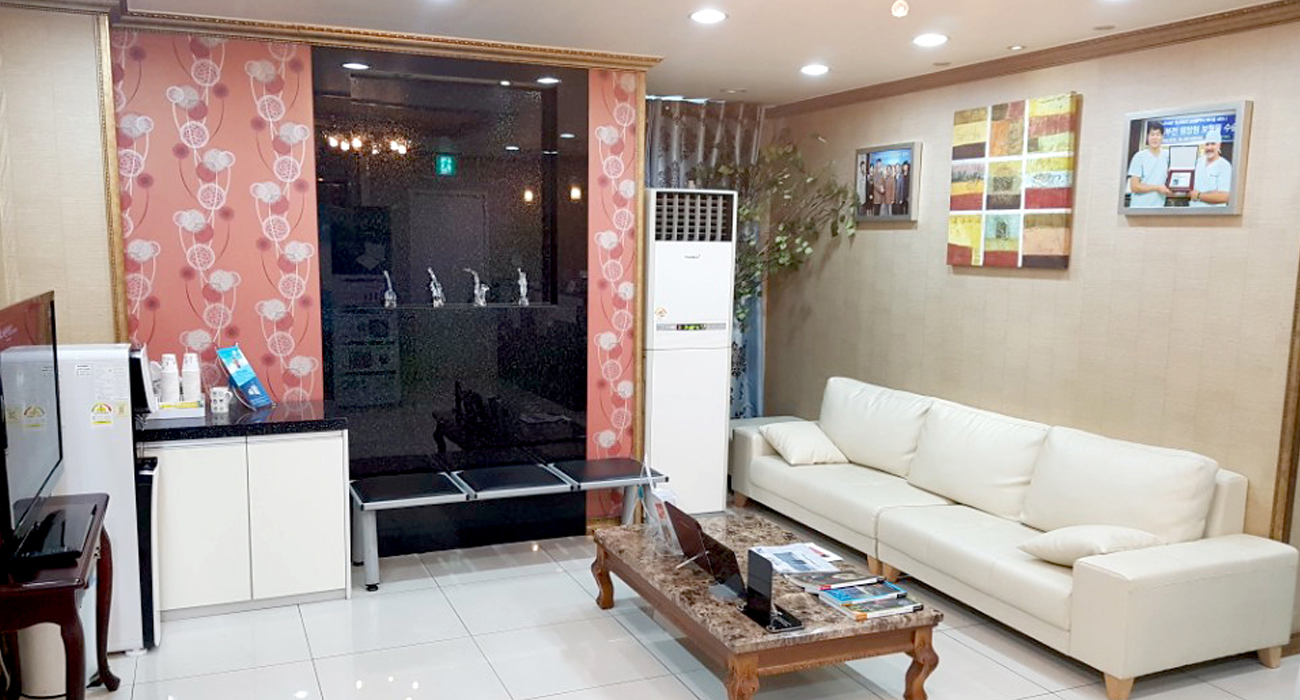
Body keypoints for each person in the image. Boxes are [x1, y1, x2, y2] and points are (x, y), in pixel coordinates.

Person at [1127, 121, 1171, 208]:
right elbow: (1134, 186)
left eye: (1158, 134)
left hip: (1159, 207)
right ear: (1147, 137)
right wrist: (1157, 188)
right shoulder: (1139, 157)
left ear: (1163, 136)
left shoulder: (1168, 156)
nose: (1155, 138)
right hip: (1139, 207)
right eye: (1152, 134)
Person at [1189, 128, 1232, 207]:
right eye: (1207, 144)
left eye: (1213, 144)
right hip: (1193, 211)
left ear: (1219, 145)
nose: (1209, 148)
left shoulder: (1225, 166)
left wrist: (1199, 196)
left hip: (1214, 213)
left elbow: (1225, 196)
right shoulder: (1197, 162)